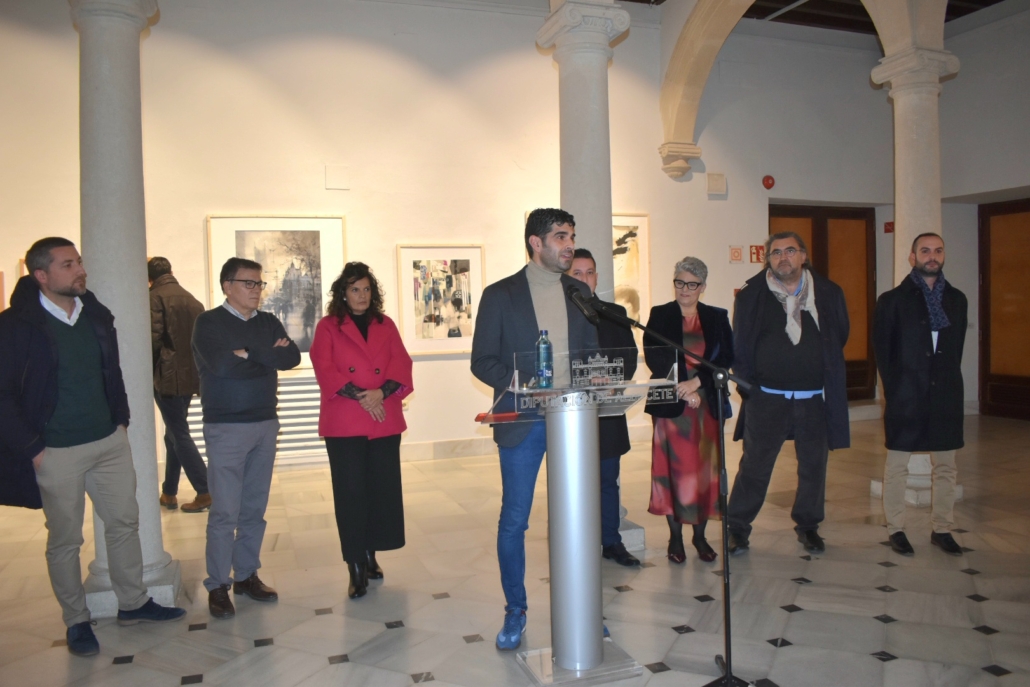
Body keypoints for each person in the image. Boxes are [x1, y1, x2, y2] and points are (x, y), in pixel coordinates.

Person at [0, 238, 186, 657]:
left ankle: (134, 603)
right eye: (68, 265)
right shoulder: (15, 325)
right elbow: (4, 395)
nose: (80, 270)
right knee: (64, 540)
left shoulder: (94, 313)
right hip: (56, 450)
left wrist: (120, 422)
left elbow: (112, 371)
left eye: (79, 261)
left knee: (124, 522)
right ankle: (77, 621)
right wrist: (34, 449)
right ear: (41, 276)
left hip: (107, 441)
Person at [471, 208, 598, 650]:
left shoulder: (580, 292)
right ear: (535, 242)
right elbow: (482, 361)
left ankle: (583, 606)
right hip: (524, 422)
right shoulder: (500, 295)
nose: (569, 244)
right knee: (515, 521)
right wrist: (526, 386)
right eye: (560, 236)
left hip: (575, 421)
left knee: (580, 521)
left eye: (572, 236)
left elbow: (593, 354)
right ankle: (515, 609)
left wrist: (599, 378)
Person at [727, 232, 850, 555]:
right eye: (776, 252)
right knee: (755, 466)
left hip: (813, 399)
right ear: (767, 259)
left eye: (790, 251)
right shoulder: (752, 296)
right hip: (767, 398)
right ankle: (737, 527)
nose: (784, 257)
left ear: (803, 256)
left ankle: (809, 526)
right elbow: (740, 347)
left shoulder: (828, 293)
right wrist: (750, 389)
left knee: (813, 466)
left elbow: (840, 335)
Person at [192, 257, 300, 619]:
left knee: (254, 507)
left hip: (265, 422)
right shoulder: (208, 323)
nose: (256, 290)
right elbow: (221, 366)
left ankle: (247, 574)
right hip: (226, 427)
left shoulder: (267, 321)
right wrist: (268, 356)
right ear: (227, 286)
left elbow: (292, 357)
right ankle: (218, 584)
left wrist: (250, 353)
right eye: (248, 284)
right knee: (225, 510)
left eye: (259, 284)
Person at [310, 262, 413, 599]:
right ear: (343, 292)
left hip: (383, 418)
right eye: (355, 289)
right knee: (351, 493)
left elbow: (402, 362)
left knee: (380, 490)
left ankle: (371, 554)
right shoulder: (328, 327)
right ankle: (355, 565)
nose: (362, 295)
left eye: (367, 289)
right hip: (345, 421)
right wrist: (362, 396)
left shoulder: (386, 324)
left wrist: (380, 393)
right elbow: (323, 366)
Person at [874, 233, 968, 556]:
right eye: (925, 251)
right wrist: (896, 389)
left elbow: (955, 351)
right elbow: (883, 353)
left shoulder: (957, 299)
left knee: (946, 467)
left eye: (938, 250)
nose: (932, 256)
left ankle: (942, 528)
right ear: (912, 257)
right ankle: (896, 528)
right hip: (906, 396)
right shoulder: (891, 301)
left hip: (945, 396)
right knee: (897, 465)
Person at [644, 257, 734, 564]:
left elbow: (726, 358)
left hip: (706, 405)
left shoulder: (717, 317)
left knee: (703, 473)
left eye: (692, 284)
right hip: (672, 406)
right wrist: (682, 388)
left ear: (703, 287)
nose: (685, 289)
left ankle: (699, 536)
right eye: (680, 283)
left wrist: (697, 385)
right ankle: (675, 538)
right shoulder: (660, 315)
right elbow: (655, 358)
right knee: (674, 472)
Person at [567, 248, 640, 567]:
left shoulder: (615, 313)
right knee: (573, 484)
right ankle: (575, 545)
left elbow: (629, 358)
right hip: (569, 414)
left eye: (590, 272)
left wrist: (610, 379)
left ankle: (611, 541)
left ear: (597, 276)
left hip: (607, 410)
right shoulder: (558, 317)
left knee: (607, 481)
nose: (585, 279)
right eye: (577, 273)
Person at [149, 257, 210, 513]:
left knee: (178, 432)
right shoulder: (192, 300)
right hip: (190, 376)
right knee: (173, 432)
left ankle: (206, 490)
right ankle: (169, 492)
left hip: (166, 376)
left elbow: (151, 340)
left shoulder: (154, 298)